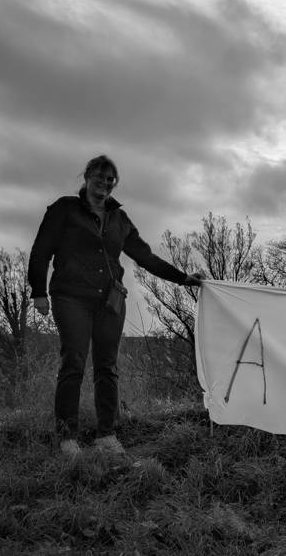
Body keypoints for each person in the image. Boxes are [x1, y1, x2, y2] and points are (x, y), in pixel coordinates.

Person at [28, 154, 203, 457]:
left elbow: (146, 257)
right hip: (71, 296)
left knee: (107, 367)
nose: (104, 183)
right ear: (87, 178)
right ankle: (67, 438)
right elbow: (41, 250)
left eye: (110, 179)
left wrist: (182, 278)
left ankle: (106, 435)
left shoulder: (119, 220)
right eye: (99, 176)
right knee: (73, 363)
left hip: (110, 300)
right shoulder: (64, 209)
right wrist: (38, 291)